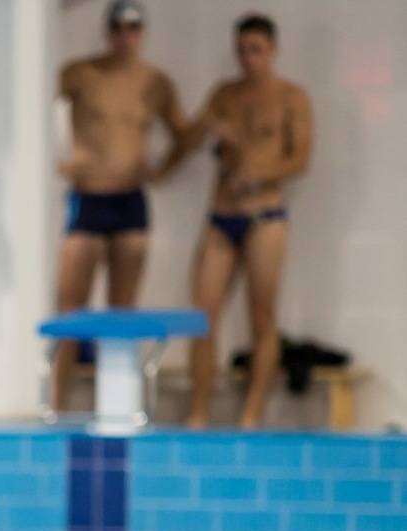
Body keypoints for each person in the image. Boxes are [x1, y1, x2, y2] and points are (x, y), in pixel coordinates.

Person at [156, 13, 313, 428]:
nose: (249, 59)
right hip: (221, 216)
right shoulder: (224, 95)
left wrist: (257, 173)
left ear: (273, 51)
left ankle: (251, 414)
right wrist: (207, 128)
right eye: (243, 50)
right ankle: (199, 412)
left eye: (257, 50)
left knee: (262, 316)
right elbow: (186, 141)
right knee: (202, 316)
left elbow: (300, 158)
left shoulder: (291, 96)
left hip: (265, 215)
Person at [50, 0, 184, 413]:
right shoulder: (79, 73)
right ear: (107, 32)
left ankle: (121, 410)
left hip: (130, 200)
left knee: (123, 313)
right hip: (88, 197)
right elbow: (34, 108)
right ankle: (53, 404)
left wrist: (161, 169)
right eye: (119, 30)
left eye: (133, 30)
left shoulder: (156, 82)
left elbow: (183, 132)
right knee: (69, 310)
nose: (126, 38)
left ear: (142, 34)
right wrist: (60, 160)